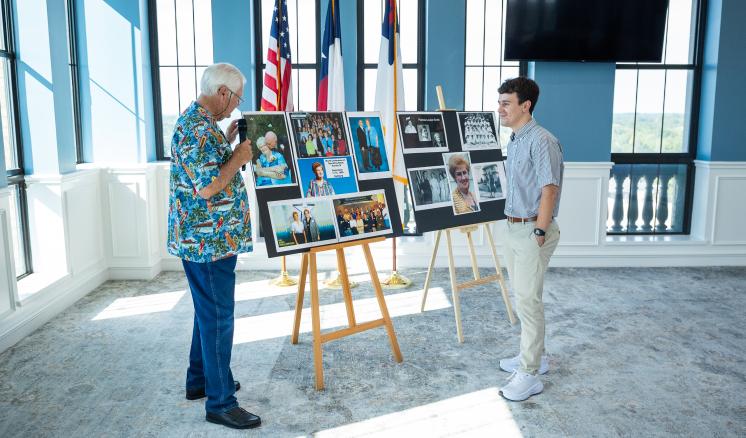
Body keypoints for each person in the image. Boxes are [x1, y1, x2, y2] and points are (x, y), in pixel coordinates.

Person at [166, 63, 261, 430]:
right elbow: (207, 187)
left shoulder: (204, 126)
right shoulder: (195, 130)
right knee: (219, 317)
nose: (235, 106)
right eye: (236, 98)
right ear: (223, 92)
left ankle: (200, 381)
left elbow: (206, 167)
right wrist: (238, 158)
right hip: (208, 243)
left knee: (208, 313)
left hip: (212, 240)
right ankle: (220, 402)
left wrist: (227, 138)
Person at [496, 76, 563, 402]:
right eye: (500, 102)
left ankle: (530, 373)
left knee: (527, 300)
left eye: (506, 103)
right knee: (523, 296)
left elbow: (549, 189)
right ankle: (536, 356)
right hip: (514, 228)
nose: (500, 109)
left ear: (526, 105)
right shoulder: (516, 140)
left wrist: (539, 230)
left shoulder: (542, 140)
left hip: (532, 231)